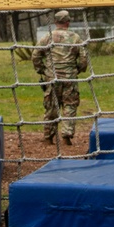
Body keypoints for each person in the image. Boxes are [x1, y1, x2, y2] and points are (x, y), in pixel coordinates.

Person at [33, 10, 89, 144]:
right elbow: (83, 57)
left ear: (55, 22)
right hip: (69, 77)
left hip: (52, 77)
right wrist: (79, 69)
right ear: (68, 22)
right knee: (70, 105)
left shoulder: (47, 37)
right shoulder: (75, 37)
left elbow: (35, 55)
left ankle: (48, 137)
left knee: (51, 106)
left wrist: (41, 70)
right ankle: (66, 135)